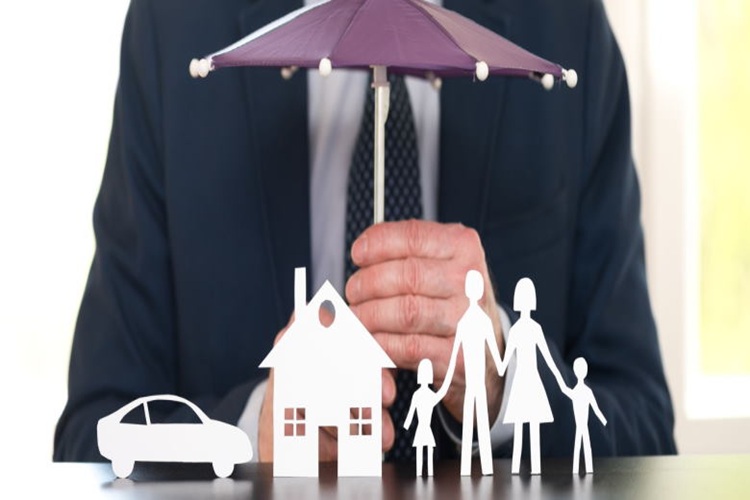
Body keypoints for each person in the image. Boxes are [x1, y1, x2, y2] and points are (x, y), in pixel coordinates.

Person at [54, 0, 677, 464]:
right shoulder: (175, 25)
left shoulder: (566, 27)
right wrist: (251, 437)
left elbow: (645, 429)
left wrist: (501, 388)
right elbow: (92, 440)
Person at [499, 277, 568, 475]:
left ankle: (523, 467)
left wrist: (562, 383)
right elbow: (506, 361)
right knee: (526, 426)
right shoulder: (527, 330)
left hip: (527, 380)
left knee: (524, 426)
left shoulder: (521, 330)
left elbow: (545, 359)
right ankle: (524, 467)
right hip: (526, 379)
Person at [439, 270, 503, 475]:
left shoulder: (469, 322)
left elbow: (492, 350)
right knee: (476, 424)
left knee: (474, 424)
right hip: (474, 383)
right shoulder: (470, 322)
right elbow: (458, 354)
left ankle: (472, 467)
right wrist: (501, 365)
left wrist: (502, 369)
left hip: (477, 383)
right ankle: (473, 467)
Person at [563, 357, 608, 474]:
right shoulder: (580, 391)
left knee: (582, 447)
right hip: (580, 425)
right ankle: (578, 469)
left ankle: (582, 469)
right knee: (581, 446)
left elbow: (595, 408)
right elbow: (565, 391)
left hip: (583, 425)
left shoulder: (585, 391)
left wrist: (603, 420)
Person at [404, 359, 443, 477]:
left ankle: (429, 473)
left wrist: (448, 381)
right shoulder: (418, 395)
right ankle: (420, 473)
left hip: (426, 428)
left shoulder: (429, 395)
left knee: (428, 453)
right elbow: (411, 411)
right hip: (421, 428)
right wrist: (406, 424)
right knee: (421, 453)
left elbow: (440, 394)